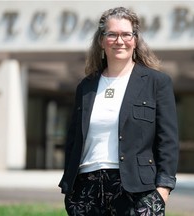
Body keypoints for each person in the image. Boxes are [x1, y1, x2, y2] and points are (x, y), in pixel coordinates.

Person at [58, 6, 179, 216]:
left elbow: (168, 140)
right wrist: (70, 187)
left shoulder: (157, 83)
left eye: (126, 34)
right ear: (101, 41)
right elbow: (73, 139)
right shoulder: (86, 86)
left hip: (138, 190)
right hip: (86, 188)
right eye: (112, 34)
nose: (119, 41)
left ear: (135, 39)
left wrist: (163, 190)